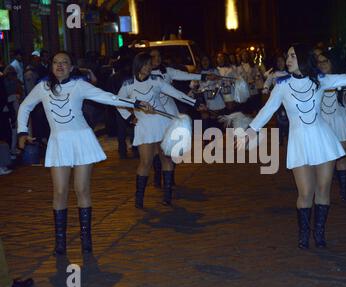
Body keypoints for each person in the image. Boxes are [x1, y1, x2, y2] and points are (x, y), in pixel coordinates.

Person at [244, 44, 346, 249]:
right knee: (305, 193)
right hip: (299, 142)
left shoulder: (320, 80)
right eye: (287, 56)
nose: (288, 59)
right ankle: (304, 234)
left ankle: (319, 233)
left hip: (323, 140)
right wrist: (250, 131)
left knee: (323, 190)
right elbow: (268, 109)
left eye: (293, 55)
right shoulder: (282, 85)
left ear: (302, 59)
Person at [17, 51, 152, 255]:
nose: (60, 66)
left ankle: (85, 239)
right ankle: (60, 242)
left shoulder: (80, 85)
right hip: (59, 143)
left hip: (81, 140)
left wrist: (134, 103)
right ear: (51, 66)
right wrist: (22, 131)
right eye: (56, 62)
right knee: (60, 191)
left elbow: (106, 97)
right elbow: (25, 106)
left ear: (72, 67)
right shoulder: (43, 87)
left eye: (64, 62)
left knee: (82, 190)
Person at [117, 52, 206, 207]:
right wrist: (129, 117)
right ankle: (139, 198)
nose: (148, 67)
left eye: (149, 64)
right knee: (145, 161)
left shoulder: (156, 80)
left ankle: (167, 195)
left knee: (166, 158)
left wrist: (194, 103)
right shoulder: (128, 84)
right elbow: (117, 101)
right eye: (145, 64)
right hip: (144, 127)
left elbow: (176, 94)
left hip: (162, 123)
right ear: (137, 65)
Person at [316, 50, 346, 202]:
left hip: (340, 120)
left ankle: (343, 191)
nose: (322, 65)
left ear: (332, 63)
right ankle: (322, 191)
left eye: (325, 61)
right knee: (323, 159)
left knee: (342, 157)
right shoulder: (314, 80)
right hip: (321, 122)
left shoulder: (340, 79)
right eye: (319, 62)